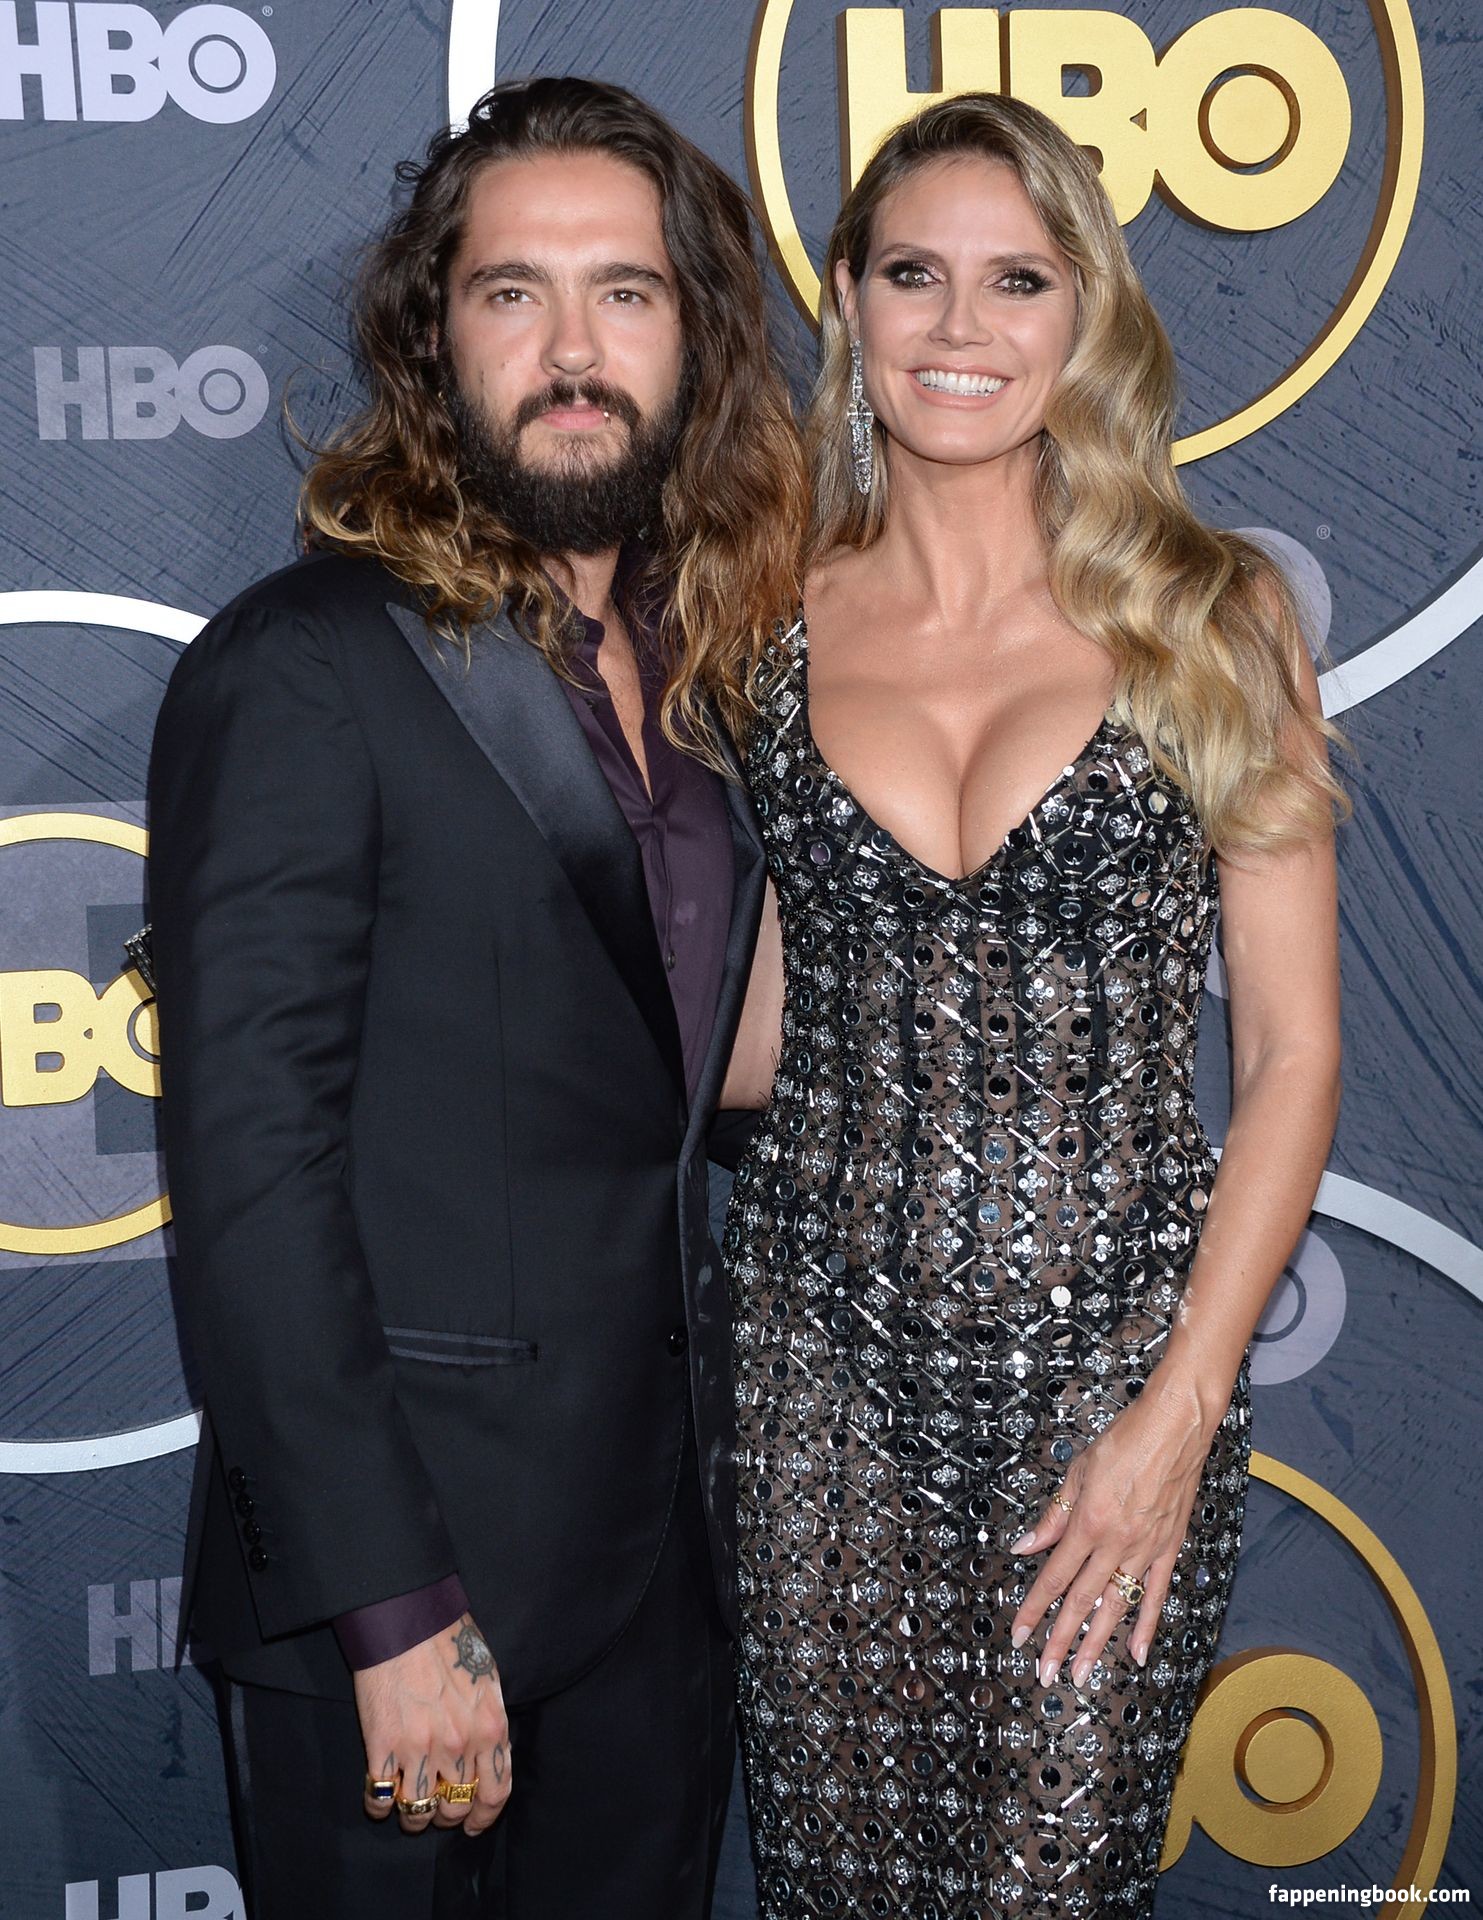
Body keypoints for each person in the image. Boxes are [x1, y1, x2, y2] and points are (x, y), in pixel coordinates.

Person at [145, 77, 804, 1920]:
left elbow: (685, 1089)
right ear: (435, 341)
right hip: (406, 1605)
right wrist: (394, 1609)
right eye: (516, 293)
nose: (573, 350)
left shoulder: (718, 679)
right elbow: (253, 1177)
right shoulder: (304, 665)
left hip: (660, 1590)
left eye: (627, 291)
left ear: (697, 336)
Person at [718, 92, 1344, 1918]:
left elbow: (1294, 1053)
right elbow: (759, 1020)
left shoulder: (1210, 616)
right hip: (816, 1380)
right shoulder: (761, 624)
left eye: (1017, 280)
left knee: (1052, 1888)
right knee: (837, 1888)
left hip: (1117, 1376)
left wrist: (1180, 1410)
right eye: (915, 274)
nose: (961, 327)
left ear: (1087, 315)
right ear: (850, 301)